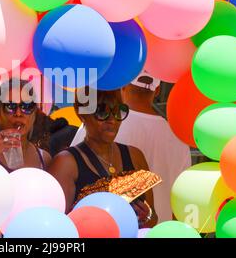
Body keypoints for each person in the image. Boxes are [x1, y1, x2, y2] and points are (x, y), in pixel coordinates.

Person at [70, 71, 191, 223]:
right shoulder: (178, 138)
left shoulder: (102, 124)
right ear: (158, 91)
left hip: (109, 227)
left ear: (124, 86)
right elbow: (182, 198)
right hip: (160, 230)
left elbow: (74, 166)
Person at [48, 88, 158, 228]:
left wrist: (146, 217)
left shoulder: (135, 156)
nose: (112, 120)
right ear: (82, 115)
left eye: (118, 111)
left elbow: (153, 218)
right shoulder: (65, 163)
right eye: (102, 112)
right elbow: (57, 226)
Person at [0, 79, 52, 172]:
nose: (18, 113)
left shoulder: (44, 159)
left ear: (34, 113)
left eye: (26, 106)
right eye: (10, 106)